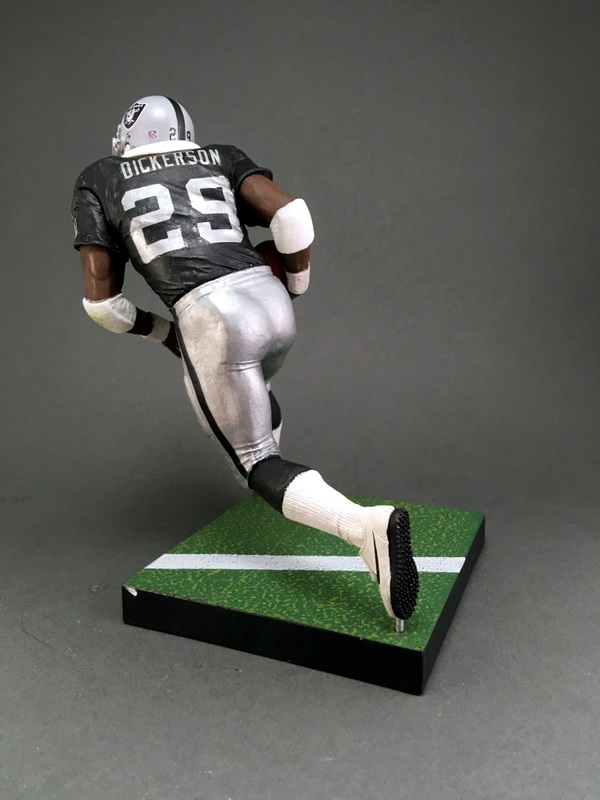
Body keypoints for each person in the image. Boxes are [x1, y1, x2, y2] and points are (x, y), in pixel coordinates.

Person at [71, 95, 418, 629]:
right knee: (244, 388)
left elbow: (103, 307)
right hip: (272, 305)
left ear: (126, 140)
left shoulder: (101, 177)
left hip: (212, 318)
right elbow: (292, 217)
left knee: (255, 463)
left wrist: (164, 332)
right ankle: (266, 437)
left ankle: (362, 527)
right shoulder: (220, 155)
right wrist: (295, 284)